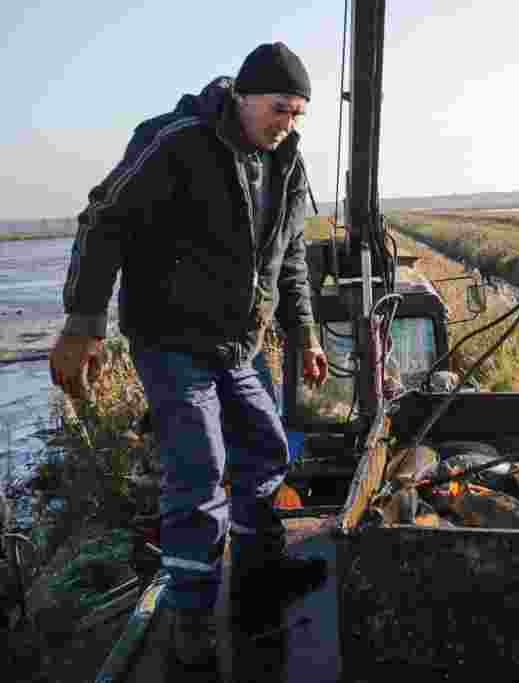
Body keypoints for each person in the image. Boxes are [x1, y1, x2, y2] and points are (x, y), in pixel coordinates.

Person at [49, 42, 329, 670]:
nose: (288, 124)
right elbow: (105, 220)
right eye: (279, 109)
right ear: (243, 97)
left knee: (266, 450)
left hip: (238, 345)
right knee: (200, 468)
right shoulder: (176, 141)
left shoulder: (287, 162)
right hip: (171, 339)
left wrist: (306, 332)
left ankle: (258, 577)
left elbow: (289, 258)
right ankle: (193, 617)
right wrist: (84, 324)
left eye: (297, 114)